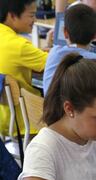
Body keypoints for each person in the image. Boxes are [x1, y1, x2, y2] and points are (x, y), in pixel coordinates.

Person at [0, 0, 48, 135]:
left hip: (3, 118)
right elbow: (56, 63)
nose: (35, 19)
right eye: (31, 15)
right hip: (27, 121)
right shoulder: (19, 46)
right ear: (12, 16)